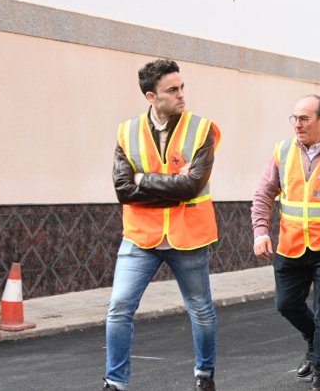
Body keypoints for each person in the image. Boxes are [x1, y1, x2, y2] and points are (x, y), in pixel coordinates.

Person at [105, 59, 222, 391]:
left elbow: (193, 186)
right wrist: (172, 185)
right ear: (151, 96)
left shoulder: (202, 129)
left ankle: (204, 376)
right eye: (173, 90)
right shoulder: (127, 132)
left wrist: (145, 180)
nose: (182, 94)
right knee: (119, 308)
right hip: (141, 237)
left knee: (200, 310)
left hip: (188, 237)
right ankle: (114, 382)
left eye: (182, 87)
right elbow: (122, 190)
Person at [251, 95, 320, 391]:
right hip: (290, 245)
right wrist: (261, 232)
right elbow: (263, 194)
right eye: (294, 118)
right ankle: (312, 340)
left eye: (304, 119)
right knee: (287, 304)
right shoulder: (282, 151)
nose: (297, 125)